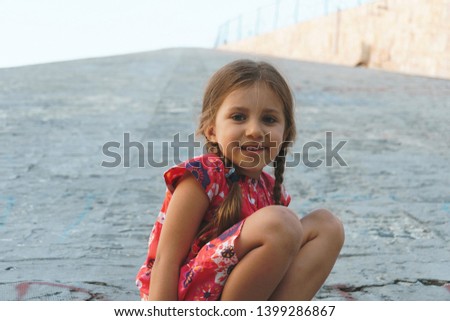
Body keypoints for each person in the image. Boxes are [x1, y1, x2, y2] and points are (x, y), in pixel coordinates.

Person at [136, 59, 345, 301]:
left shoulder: (269, 189)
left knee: (327, 225)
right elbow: (166, 259)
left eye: (269, 119)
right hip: (185, 299)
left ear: (286, 134)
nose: (254, 130)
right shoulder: (202, 176)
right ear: (212, 129)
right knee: (282, 222)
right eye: (238, 117)